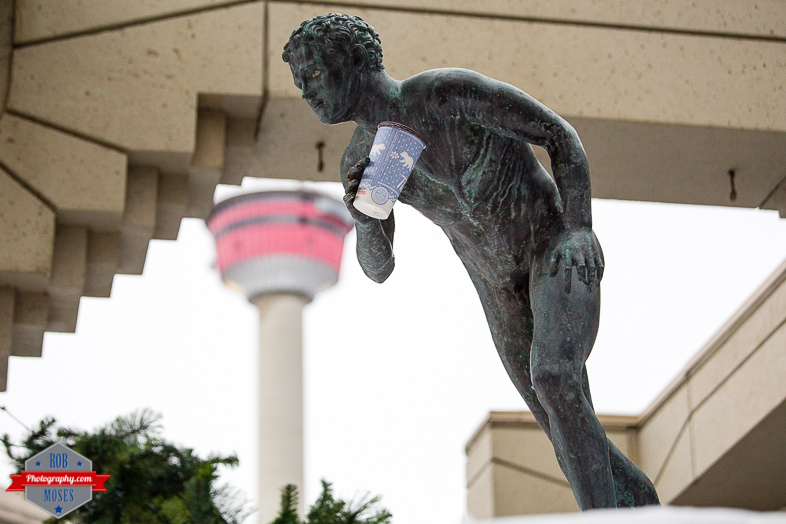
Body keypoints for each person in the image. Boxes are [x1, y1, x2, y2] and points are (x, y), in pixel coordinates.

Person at [283, 13, 659, 509]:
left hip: (552, 249)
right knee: (561, 422)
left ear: (353, 61)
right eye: (298, 82)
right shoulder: (370, 159)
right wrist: (367, 220)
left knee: (553, 376)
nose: (306, 93)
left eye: (313, 75)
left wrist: (580, 227)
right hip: (496, 290)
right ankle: (641, 506)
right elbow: (380, 268)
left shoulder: (442, 96)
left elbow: (559, 136)